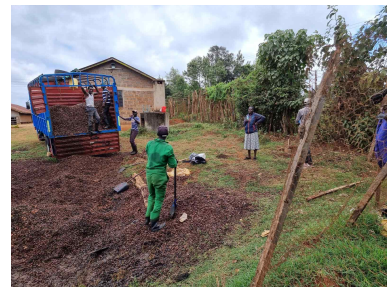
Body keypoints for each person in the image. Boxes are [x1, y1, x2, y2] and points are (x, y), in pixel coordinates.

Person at [144, 126, 177, 232]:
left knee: (151, 195)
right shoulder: (168, 147)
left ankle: (147, 218)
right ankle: (154, 223)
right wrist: (174, 160)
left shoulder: (149, 143)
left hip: (149, 174)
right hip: (159, 176)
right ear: (166, 135)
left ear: (157, 133)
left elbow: (148, 153)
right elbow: (172, 164)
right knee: (158, 198)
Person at [295, 98, 313, 167]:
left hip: (302, 129)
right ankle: (307, 162)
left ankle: (307, 162)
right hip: (310, 129)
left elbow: (297, 121)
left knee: (303, 145)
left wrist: (300, 122)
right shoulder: (312, 110)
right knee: (307, 144)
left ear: (304, 103)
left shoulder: (301, 111)